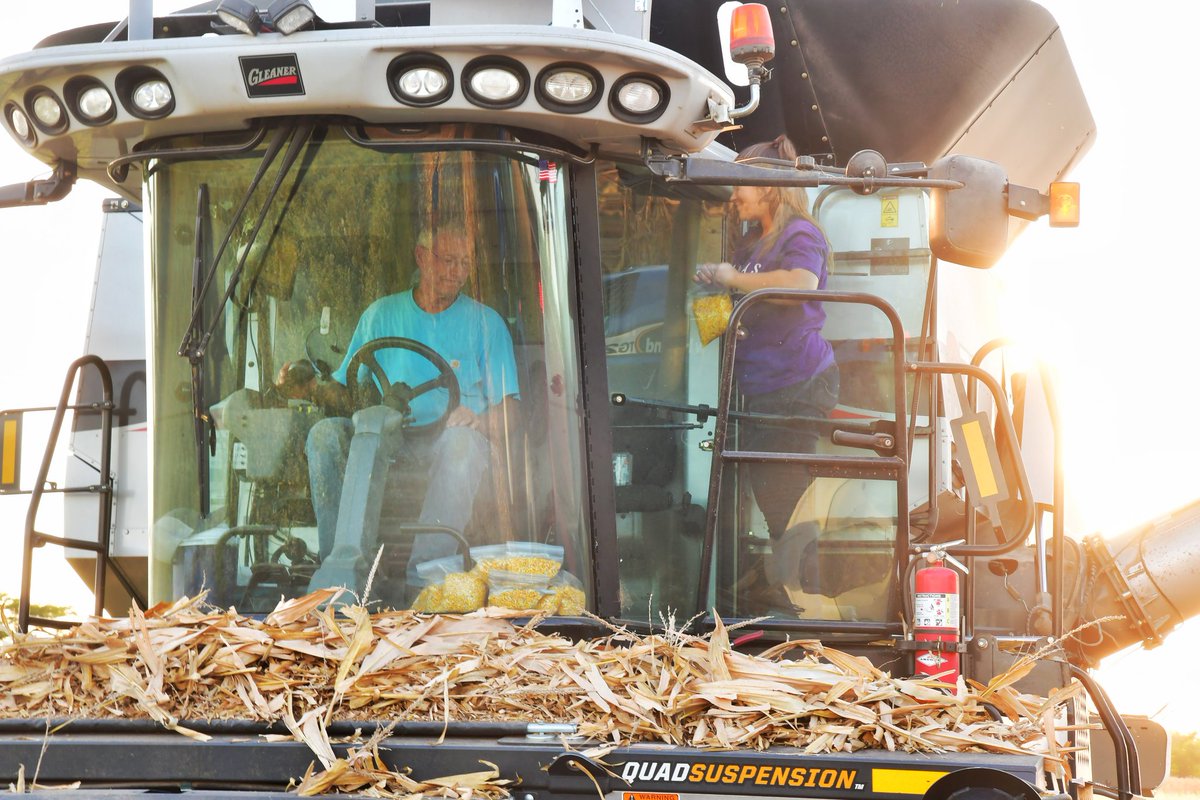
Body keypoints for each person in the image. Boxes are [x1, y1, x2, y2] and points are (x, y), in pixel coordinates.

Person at [299, 226, 520, 566]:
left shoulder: (486, 324)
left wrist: (479, 420)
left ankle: (427, 576)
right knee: (325, 435)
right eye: (448, 261)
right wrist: (309, 387)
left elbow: (512, 410)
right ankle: (340, 569)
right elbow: (345, 390)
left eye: (464, 263)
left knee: (461, 444)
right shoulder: (380, 315)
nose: (457, 272)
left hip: (452, 443)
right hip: (392, 441)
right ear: (421, 257)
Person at [694, 134, 839, 595]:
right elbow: (748, 295)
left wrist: (732, 278)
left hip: (796, 383)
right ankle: (782, 584)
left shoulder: (801, 233)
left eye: (742, 184)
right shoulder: (752, 241)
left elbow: (802, 283)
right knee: (769, 493)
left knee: (783, 497)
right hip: (762, 386)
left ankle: (802, 594)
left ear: (771, 187)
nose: (734, 195)